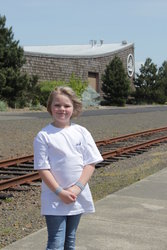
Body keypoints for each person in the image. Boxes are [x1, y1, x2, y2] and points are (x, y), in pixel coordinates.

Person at [33, 86, 103, 250]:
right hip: (54, 198)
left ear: (74, 108)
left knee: (70, 241)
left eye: (66, 106)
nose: (62, 109)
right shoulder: (44, 136)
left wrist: (77, 188)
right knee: (56, 242)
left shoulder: (82, 132)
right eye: (57, 105)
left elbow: (90, 163)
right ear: (50, 107)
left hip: (76, 196)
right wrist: (60, 192)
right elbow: (42, 169)